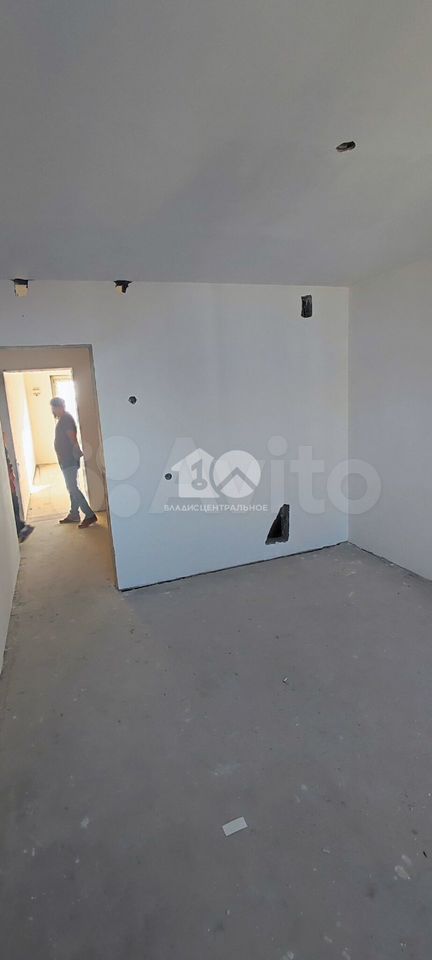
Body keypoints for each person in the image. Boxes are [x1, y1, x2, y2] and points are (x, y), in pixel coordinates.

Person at [50, 397, 97, 528]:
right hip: (66, 459)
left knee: (72, 488)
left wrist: (76, 454)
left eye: (54, 408)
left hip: (69, 459)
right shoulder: (63, 419)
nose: (53, 411)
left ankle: (89, 515)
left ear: (59, 407)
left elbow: (72, 438)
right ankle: (74, 514)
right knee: (71, 487)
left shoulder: (66, 420)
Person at [4, 442, 34, 543]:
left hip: (7, 485)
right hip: (8, 484)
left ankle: (21, 528)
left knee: (11, 508)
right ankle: (21, 529)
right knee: (13, 506)